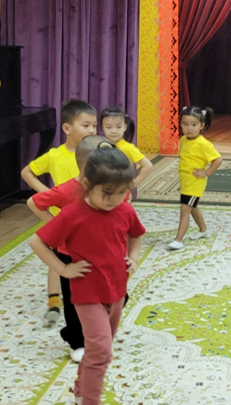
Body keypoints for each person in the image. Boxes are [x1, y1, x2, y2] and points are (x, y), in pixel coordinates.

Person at [29, 144, 145, 405]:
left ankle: (81, 389)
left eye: (121, 192)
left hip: (116, 291)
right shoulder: (73, 213)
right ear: (86, 184)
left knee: (98, 349)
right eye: (107, 193)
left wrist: (134, 258)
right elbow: (37, 242)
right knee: (102, 351)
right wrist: (63, 269)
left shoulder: (125, 209)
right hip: (87, 293)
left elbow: (136, 235)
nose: (115, 199)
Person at [27, 135, 112, 363]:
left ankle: (96, 329)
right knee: (75, 301)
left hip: (102, 254)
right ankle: (77, 341)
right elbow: (34, 202)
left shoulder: (108, 188)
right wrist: (55, 225)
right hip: (71, 256)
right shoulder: (67, 190)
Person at [20, 99, 97, 323]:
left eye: (94, 125)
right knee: (58, 258)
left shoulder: (94, 153)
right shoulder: (54, 155)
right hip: (61, 218)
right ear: (67, 128)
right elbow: (27, 172)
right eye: (86, 125)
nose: (92, 130)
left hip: (88, 218)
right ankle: (54, 301)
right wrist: (47, 194)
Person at [168, 106, 223, 250]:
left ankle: (179, 240)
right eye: (185, 124)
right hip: (185, 182)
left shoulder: (203, 144)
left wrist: (206, 172)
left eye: (194, 125)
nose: (189, 128)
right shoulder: (183, 140)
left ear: (202, 125)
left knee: (185, 209)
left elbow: (218, 159)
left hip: (195, 183)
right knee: (192, 207)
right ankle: (203, 230)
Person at [100, 106, 153, 186]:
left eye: (118, 127)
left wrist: (135, 182)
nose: (114, 131)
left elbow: (148, 165)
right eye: (109, 127)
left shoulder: (129, 148)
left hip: (121, 189)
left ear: (125, 127)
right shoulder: (100, 144)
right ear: (102, 127)